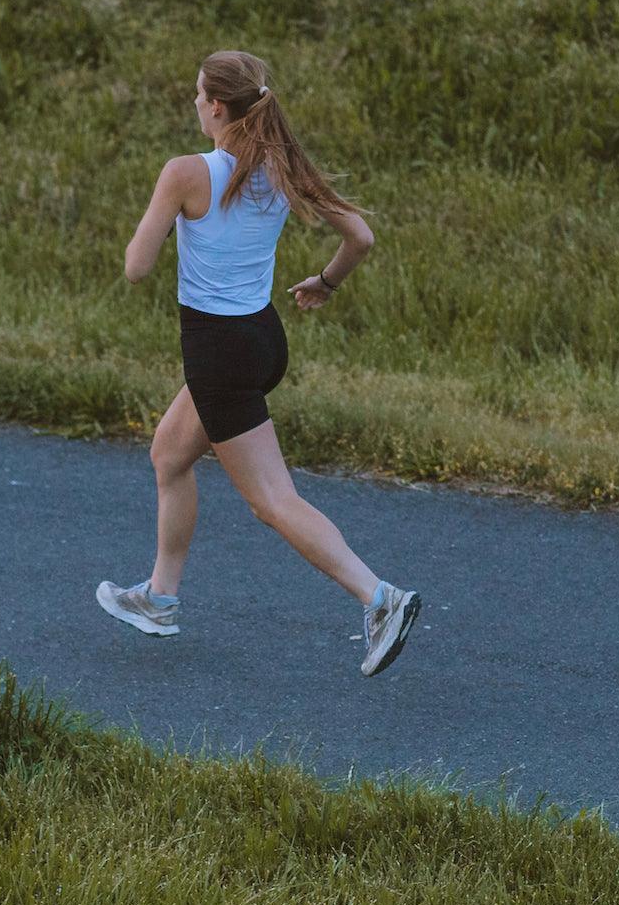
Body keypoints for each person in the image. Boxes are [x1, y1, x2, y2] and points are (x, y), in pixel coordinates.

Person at [95, 49, 421, 676]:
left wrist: (164, 225)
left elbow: (136, 268)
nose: (194, 103)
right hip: (262, 339)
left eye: (197, 94)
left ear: (216, 105)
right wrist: (326, 283)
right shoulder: (281, 164)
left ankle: (381, 599)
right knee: (169, 454)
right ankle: (160, 599)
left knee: (272, 500)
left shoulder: (186, 173)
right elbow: (362, 237)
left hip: (219, 355)